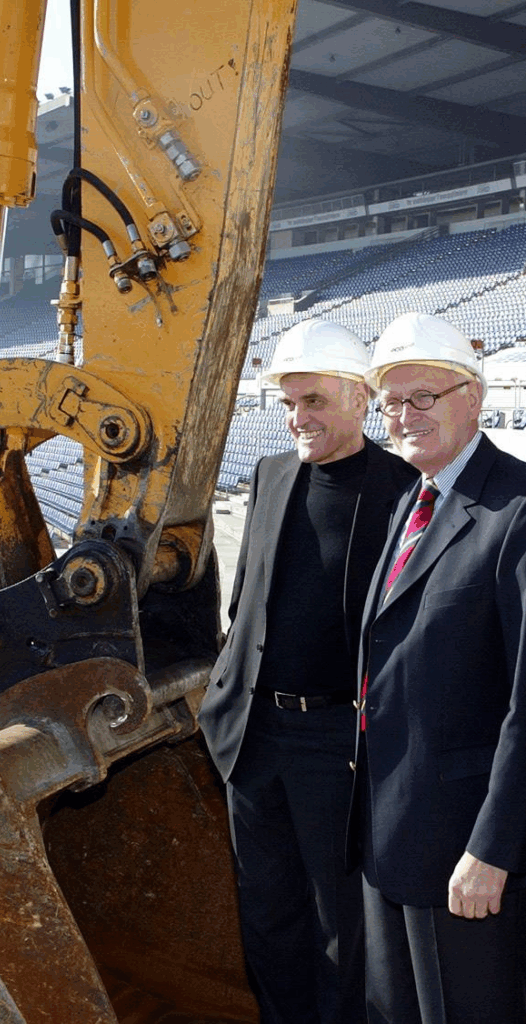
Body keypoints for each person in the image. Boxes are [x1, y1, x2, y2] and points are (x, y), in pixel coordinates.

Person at [199, 319, 417, 1024]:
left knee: (338, 928)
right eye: (290, 404)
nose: (299, 419)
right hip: (255, 738)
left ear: (359, 399)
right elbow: (245, 598)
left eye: (315, 401)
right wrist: (224, 701)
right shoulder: (270, 475)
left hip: (338, 746)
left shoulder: (405, 489)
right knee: (266, 917)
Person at [353, 311, 526, 1023]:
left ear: (474, 395)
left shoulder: (514, 509)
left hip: (463, 852)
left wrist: (492, 848)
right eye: (393, 402)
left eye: (424, 395)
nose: (405, 415)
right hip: (391, 838)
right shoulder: (412, 499)